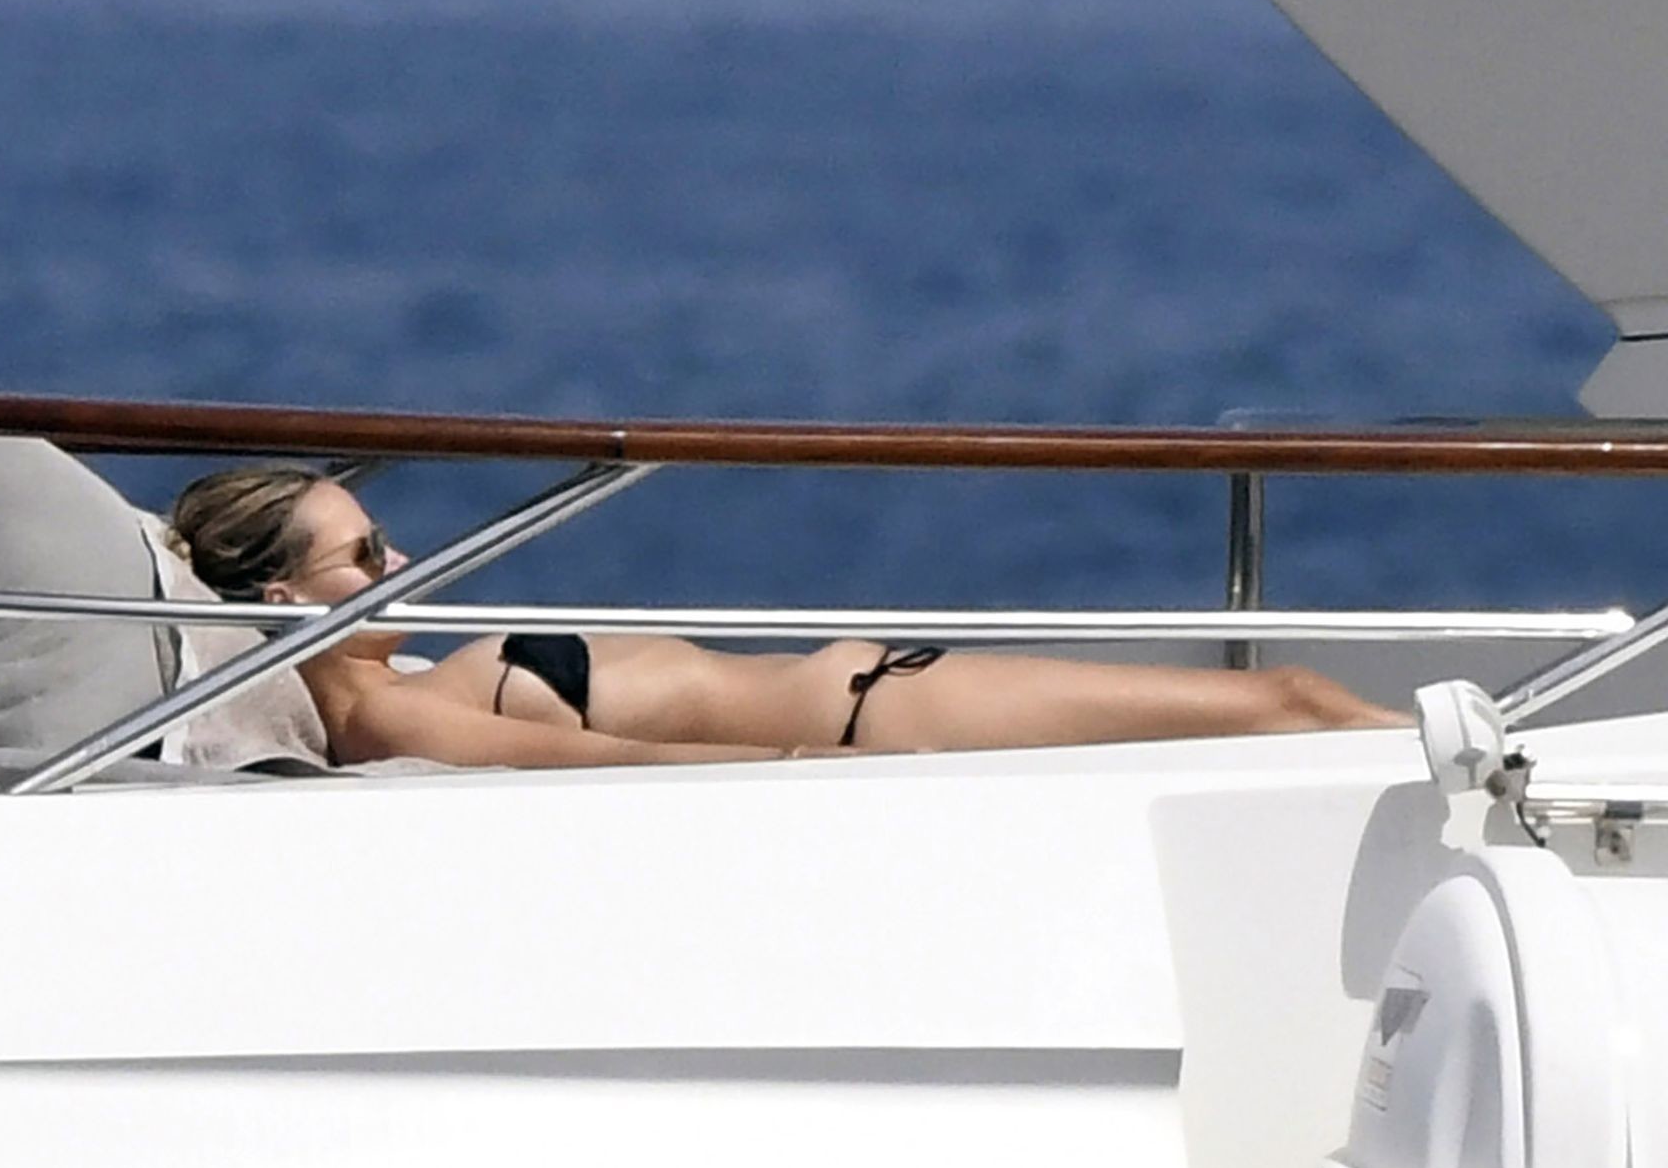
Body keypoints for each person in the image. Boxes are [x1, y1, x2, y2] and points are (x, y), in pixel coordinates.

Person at [166, 465, 1409, 769]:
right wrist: (812, 770)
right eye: (365, 553)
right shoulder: (384, 718)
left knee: (1289, 706)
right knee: (1285, 703)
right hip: (874, 722)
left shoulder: (402, 683)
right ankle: (1483, 764)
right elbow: (599, 764)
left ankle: (1476, 755)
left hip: (869, 692)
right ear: (281, 599)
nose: (401, 560)